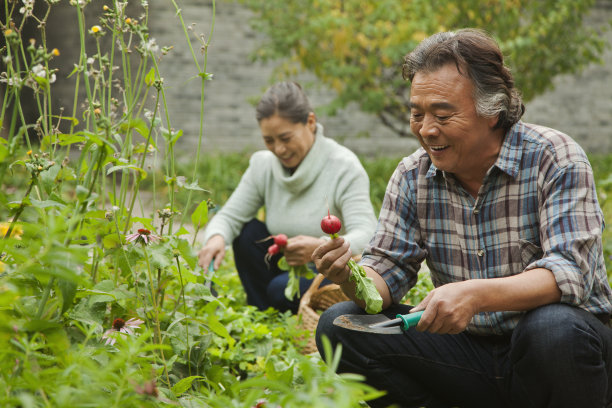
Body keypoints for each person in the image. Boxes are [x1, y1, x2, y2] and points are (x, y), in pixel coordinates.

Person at [312, 29, 612, 408]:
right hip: (471, 355)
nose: (426, 129)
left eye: (442, 114)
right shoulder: (412, 176)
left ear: (492, 111)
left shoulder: (555, 157)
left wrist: (474, 295)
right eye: (416, 114)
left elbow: (571, 272)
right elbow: (385, 273)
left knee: (552, 327)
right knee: (339, 325)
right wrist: (349, 275)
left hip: (559, 353)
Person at [197, 81, 377, 314]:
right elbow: (230, 216)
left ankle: (281, 312)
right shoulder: (263, 165)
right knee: (246, 231)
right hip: (284, 266)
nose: (279, 149)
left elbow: (367, 234)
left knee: (280, 289)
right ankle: (266, 317)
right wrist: (216, 238)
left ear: (310, 123)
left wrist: (321, 247)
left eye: (285, 138)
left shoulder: (344, 167)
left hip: (327, 272)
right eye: (269, 141)